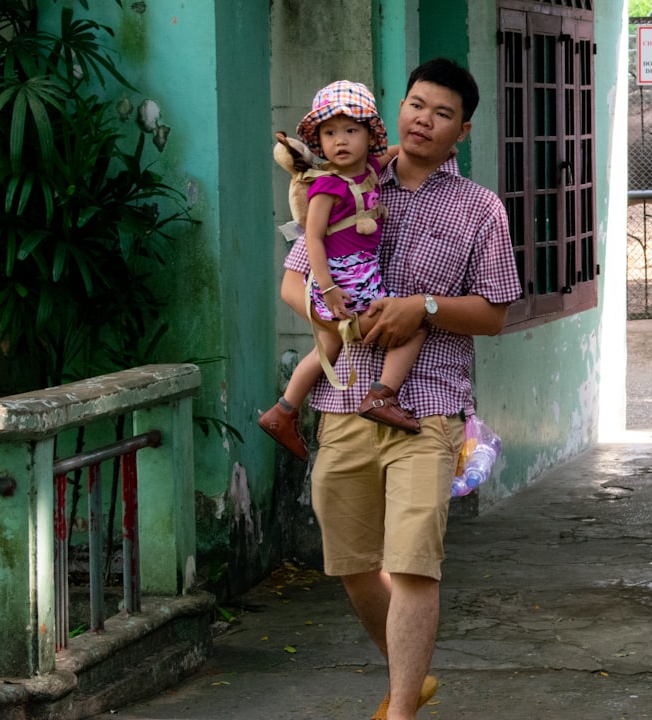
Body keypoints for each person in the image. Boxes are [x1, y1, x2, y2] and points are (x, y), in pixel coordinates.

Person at [281, 58, 521, 720]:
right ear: (400, 106)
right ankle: (408, 678)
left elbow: (496, 313)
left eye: (442, 113)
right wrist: (336, 310)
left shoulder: (480, 210)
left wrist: (428, 308)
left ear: (462, 130)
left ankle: (400, 713)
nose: (425, 119)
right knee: (353, 564)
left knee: (416, 563)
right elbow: (293, 281)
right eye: (417, 104)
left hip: (430, 411)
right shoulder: (346, 177)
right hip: (343, 399)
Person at [258, 81, 425, 461]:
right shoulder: (327, 186)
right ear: (319, 141)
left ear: (370, 136)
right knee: (412, 325)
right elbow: (313, 240)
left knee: (329, 347)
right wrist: (330, 290)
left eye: (352, 130)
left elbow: (395, 154)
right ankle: (380, 394)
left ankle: (283, 411)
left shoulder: (367, 169)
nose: (341, 140)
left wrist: (432, 149)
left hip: (360, 273)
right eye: (330, 133)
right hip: (343, 280)